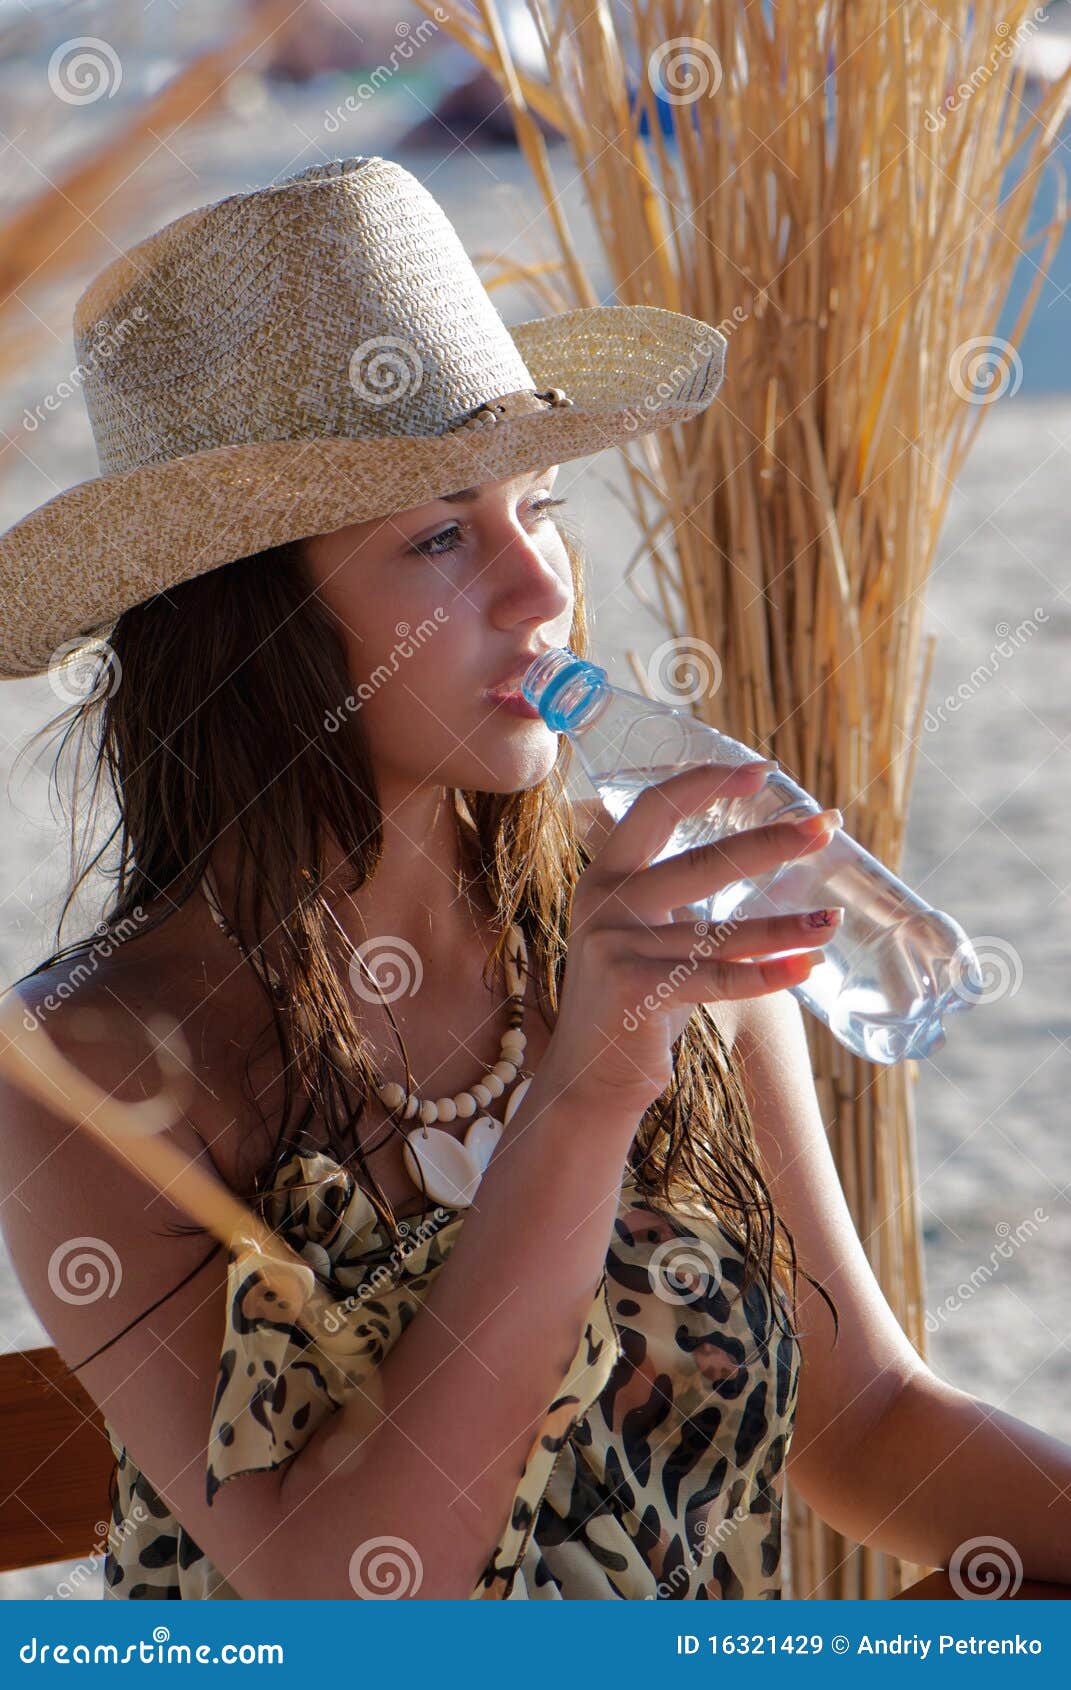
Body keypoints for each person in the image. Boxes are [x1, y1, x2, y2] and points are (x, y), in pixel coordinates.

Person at [0, 157, 1068, 1603]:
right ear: (244, 624)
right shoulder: (91, 1065)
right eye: (441, 534)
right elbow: (354, 1595)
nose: (540, 586)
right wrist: (586, 1091)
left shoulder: (654, 934)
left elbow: (867, 1424)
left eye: (542, 506)